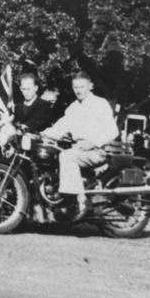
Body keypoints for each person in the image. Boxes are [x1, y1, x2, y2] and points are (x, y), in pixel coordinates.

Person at [43, 71, 119, 214]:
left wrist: (93, 143)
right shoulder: (73, 108)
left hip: (97, 151)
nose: (78, 90)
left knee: (66, 156)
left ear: (91, 86)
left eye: (82, 86)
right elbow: (60, 127)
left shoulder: (100, 104)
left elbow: (112, 131)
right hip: (79, 150)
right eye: (75, 87)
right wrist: (42, 133)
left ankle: (77, 200)